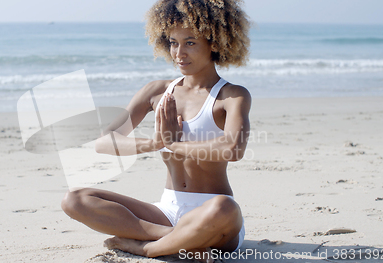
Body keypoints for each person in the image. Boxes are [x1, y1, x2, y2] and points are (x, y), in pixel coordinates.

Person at [61, 0, 251, 261]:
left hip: (212, 215)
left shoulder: (231, 95)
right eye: (173, 42)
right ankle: (176, 238)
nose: (179, 53)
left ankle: (145, 247)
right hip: (167, 210)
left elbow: (233, 149)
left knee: (226, 207)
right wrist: (154, 142)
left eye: (190, 42)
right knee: (75, 199)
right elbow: (104, 142)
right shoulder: (157, 91)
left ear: (215, 42)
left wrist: (174, 145)